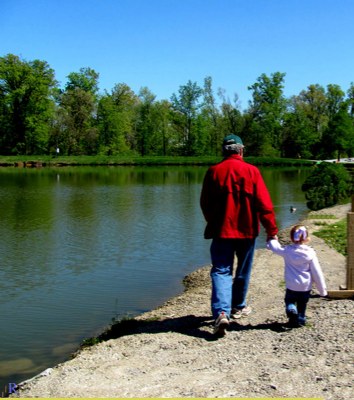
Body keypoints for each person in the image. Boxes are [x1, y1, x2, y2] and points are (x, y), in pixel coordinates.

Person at [200, 134, 278, 335]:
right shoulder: (252, 171)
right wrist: (272, 231)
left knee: (221, 270)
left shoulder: (214, 172)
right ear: (241, 150)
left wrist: (213, 221)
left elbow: (205, 204)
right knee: (242, 271)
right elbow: (264, 204)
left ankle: (221, 313)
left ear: (224, 151)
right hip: (247, 231)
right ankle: (238, 307)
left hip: (221, 231)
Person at [267, 225, 327, 327]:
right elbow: (317, 272)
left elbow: (275, 248)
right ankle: (301, 320)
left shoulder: (287, 251)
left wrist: (272, 239)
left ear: (291, 238)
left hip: (291, 285)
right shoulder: (310, 253)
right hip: (305, 286)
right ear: (307, 238)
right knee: (302, 304)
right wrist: (322, 291)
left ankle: (291, 309)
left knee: (289, 300)